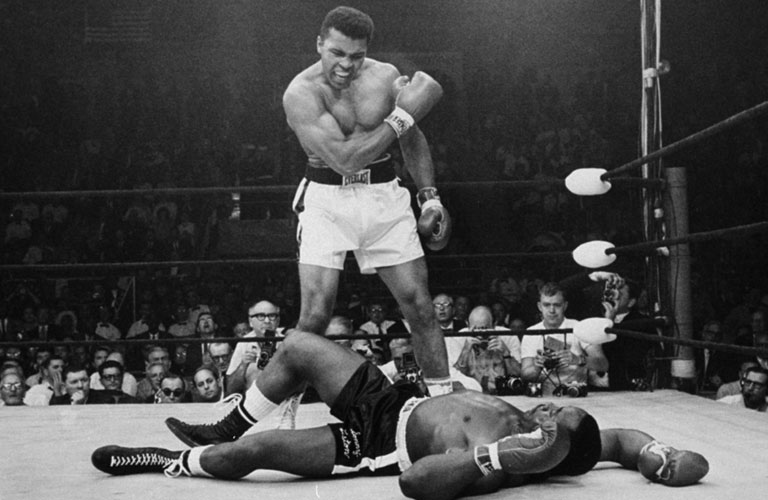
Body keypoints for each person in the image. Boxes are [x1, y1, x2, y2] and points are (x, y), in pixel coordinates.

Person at [92, 328, 709, 498]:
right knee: (300, 345)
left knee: (249, 456)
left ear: (554, 450)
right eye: (555, 407)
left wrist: (499, 455)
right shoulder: (573, 438)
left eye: (553, 419)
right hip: (391, 398)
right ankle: (228, 418)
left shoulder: (509, 462)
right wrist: (665, 457)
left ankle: (167, 461)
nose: (545, 407)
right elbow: (625, 440)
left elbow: (415, 483)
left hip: (379, 446)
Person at [520, 282, 608, 396]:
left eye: (557, 305)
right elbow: (525, 375)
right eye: (546, 305)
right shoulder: (530, 332)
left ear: (565, 306)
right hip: (542, 397)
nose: (552, 310)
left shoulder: (580, 328)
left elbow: (603, 364)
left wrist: (578, 359)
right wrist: (537, 366)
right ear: (539, 306)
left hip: (576, 395)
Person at [454, 306, 522, 394]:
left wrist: (506, 353)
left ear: (494, 325)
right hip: (471, 395)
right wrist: (465, 351)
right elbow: (455, 379)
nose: (480, 333)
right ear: (468, 325)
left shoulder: (508, 336)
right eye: (475, 329)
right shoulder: (460, 338)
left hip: (501, 394)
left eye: (484, 328)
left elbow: (518, 375)